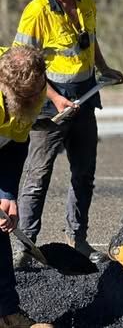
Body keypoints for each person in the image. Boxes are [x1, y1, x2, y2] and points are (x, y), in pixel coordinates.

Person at [12, 0, 123, 269]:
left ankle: (79, 238)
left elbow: (90, 39)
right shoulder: (35, 13)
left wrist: (103, 68)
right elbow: (22, 66)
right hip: (49, 109)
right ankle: (26, 247)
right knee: (37, 177)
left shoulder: (84, 0)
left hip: (85, 98)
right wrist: (54, 97)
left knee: (84, 174)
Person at [0, 45, 54, 328]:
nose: (35, 101)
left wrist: (8, 194)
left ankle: (7, 315)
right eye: (27, 98)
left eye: (37, 95)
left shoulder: (33, 86)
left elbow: (16, 143)